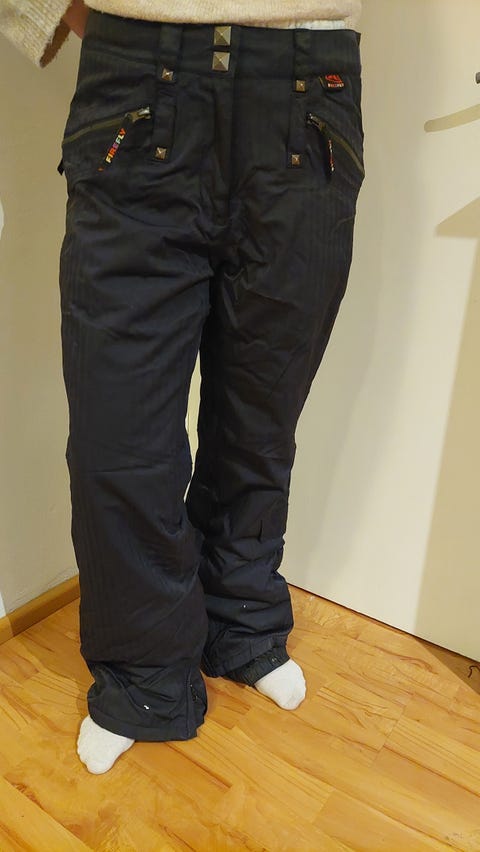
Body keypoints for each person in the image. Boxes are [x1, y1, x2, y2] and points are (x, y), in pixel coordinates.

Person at [0, 0, 364, 774]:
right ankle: (144, 672)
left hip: (309, 93)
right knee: (118, 435)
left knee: (262, 414)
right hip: (137, 85)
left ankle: (241, 619)